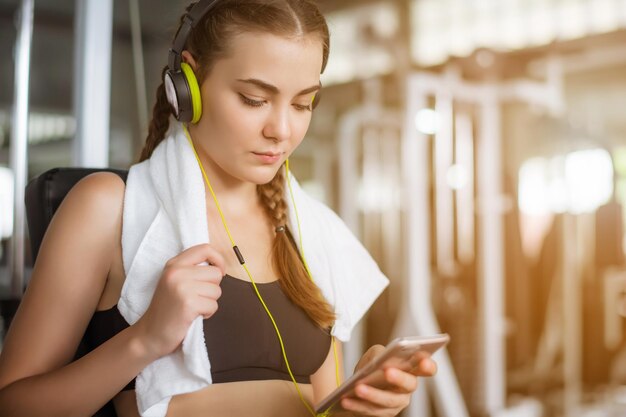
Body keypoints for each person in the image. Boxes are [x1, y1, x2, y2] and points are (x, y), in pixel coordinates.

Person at [0, 1, 437, 416]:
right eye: (254, 99)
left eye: (303, 103)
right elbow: (12, 405)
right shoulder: (108, 208)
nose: (282, 130)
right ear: (187, 87)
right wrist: (146, 339)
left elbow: (321, 405)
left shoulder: (314, 231)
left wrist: (364, 401)